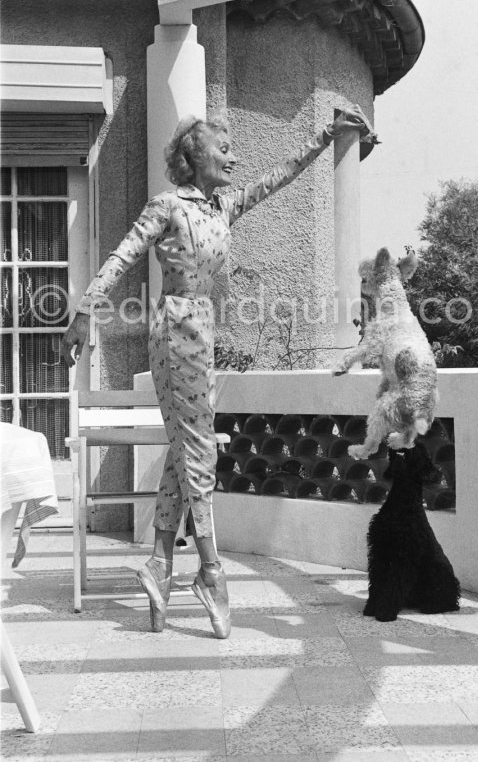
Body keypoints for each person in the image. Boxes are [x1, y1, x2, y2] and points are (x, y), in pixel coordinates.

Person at [62, 105, 373, 638]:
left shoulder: (222, 206)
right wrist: (87, 310)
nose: (234, 158)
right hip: (174, 326)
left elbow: (279, 177)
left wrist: (326, 135)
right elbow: (122, 256)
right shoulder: (167, 205)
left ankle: (160, 564)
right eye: (223, 149)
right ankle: (210, 568)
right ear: (193, 156)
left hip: (203, 329)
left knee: (186, 449)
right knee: (200, 449)